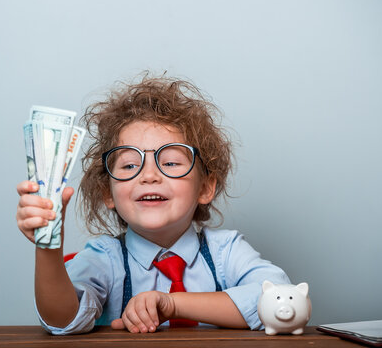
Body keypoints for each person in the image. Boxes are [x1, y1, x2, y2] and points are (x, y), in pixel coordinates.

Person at [16, 74, 290, 335]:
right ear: (107, 193)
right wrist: (48, 245)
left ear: (205, 187)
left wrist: (173, 304)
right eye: (130, 165)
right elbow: (62, 321)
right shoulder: (105, 258)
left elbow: (284, 302)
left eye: (170, 162)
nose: (149, 176)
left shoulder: (226, 252)